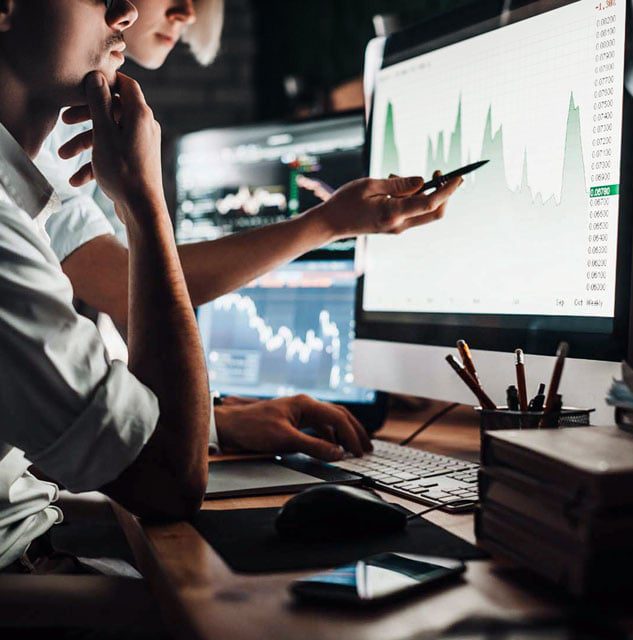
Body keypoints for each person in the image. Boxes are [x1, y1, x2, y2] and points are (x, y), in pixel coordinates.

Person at [0, 0, 461, 571]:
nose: (128, 11)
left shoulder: (28, 177)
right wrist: (147, 205)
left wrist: (215, 425)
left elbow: (31, 422)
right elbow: (167, 478)